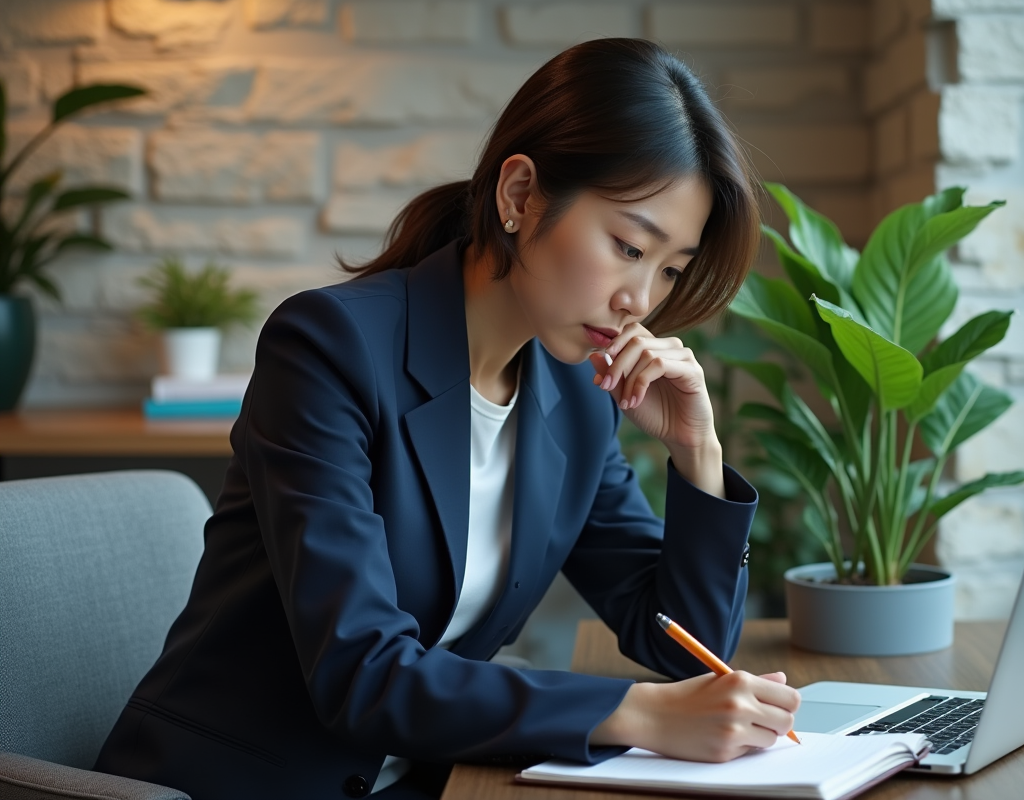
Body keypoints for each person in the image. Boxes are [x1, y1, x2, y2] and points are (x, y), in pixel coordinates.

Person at [94, 38, 801, 800]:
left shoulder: (574, 399)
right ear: (521, 195)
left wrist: (697, 450)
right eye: (628, 245)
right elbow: (359, 672)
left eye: (669, 268)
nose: (641, 299)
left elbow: (685, 651)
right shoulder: (330, 349)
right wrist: (641, 715)